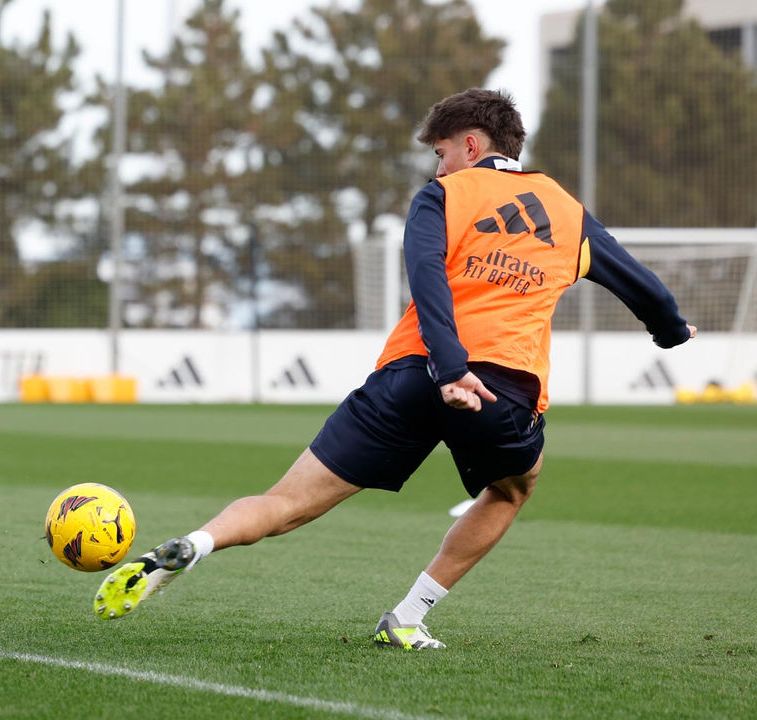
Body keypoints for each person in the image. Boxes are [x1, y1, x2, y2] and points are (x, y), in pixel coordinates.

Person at [92, 88, 697, 649]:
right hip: (500, 388)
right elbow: (640, 283)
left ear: (471, 144)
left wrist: (445, 365)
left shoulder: (443, 197)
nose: (437, 169)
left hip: (408, 375)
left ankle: (195, 544)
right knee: (513, 488)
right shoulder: (568, 214)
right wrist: (670, 330)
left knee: (286, 503)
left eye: (440, 154)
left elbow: (426, 275)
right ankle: (407, 618)